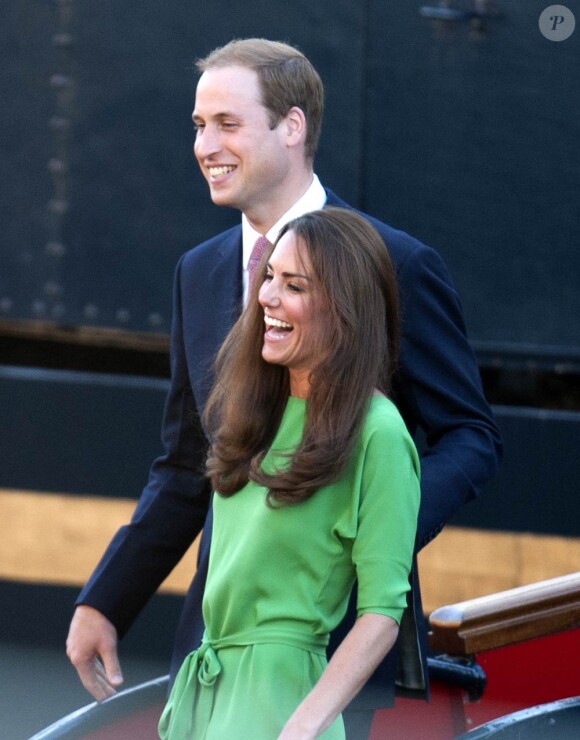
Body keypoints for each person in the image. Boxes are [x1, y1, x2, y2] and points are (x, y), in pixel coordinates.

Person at [66, 37, 501, 732]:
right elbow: (186, 465)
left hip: (338, 654)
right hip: (214, 656)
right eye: (198, 126)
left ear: (292, 127)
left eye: (227, 124)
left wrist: (359, 533)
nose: (205, 145)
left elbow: (471, 437)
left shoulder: (396, 263)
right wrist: (105, 599)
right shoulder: (199, 273)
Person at [158, 207, 420, 739]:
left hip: (280, 711)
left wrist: (299, 729)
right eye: (269, 277)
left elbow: (381, 615)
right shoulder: (255, 411)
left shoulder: (380, 433)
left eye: (294, 285)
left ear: (345, 309)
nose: (267, 298)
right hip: (208, 699)